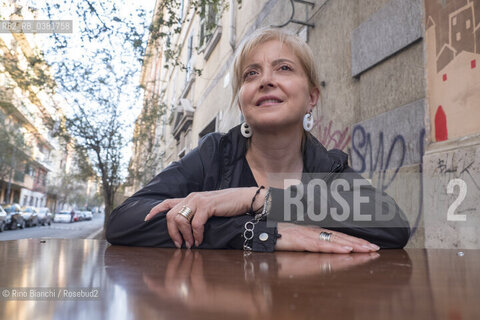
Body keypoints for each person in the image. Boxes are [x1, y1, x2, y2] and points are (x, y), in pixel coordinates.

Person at [106, 28, 410, 253]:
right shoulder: (214, 154)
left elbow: (394, 226)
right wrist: (259, 233)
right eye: (251, 74)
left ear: (311, 98)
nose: (265, 80)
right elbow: (124, 220)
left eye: (284, 68)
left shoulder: (329, 167)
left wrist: (259, 199)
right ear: (241, 102)